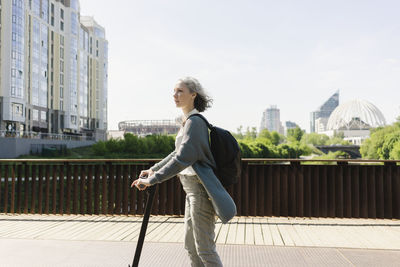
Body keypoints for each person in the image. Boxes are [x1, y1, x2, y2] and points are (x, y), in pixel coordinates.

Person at [131, 77, 236, 267]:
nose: (175, 95)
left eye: (180, 91)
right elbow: (176, 153)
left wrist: (153, 180)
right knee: (191, 248)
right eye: (174, 91)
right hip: (191, 191)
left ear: (193, 94)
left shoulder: (195, 122)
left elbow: (182, 159)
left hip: (200, 191)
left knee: (204, 249)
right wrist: (152, 169)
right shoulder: (187, 121)